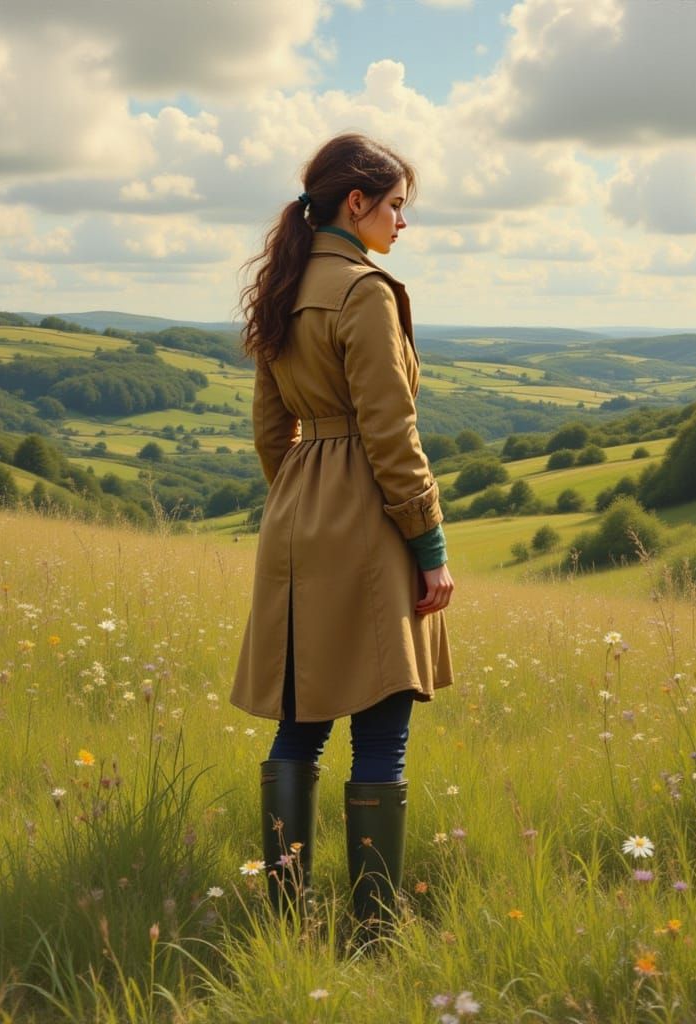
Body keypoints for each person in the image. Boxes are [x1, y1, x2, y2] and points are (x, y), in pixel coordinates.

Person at [231, 133, 454, 927]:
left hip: (295, 517)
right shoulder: (363, 292)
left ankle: (285, 919)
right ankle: (372, 933)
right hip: (369, 522)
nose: (403, 221)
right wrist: (429, 547)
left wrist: (303, 502)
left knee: (300, 727)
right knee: (382, 733)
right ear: (354, 203)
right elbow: (391, 433)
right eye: (396, 205)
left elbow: (269, 434)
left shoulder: (283, 287)